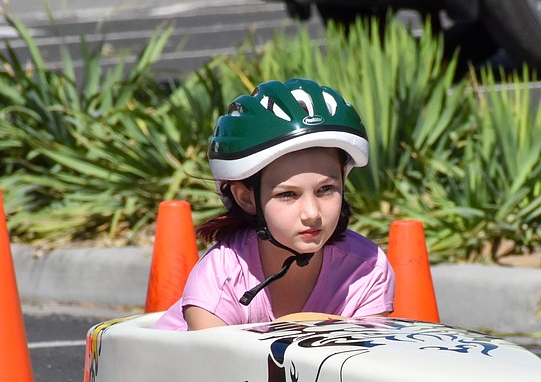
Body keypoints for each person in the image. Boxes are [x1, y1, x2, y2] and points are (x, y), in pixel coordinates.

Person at [154, 78, 395, 331]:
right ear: (246, 198)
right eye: (288, 195)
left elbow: (360, 365)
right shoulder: (220, 279)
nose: (312, 213)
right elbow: (215, 369)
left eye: (326, 189)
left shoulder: (367, 269)